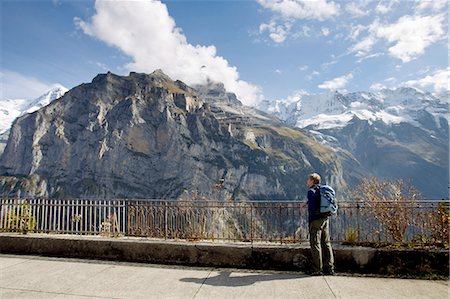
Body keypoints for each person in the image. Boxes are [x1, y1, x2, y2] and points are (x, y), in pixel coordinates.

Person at [306, 173, 334, 276]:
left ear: (312, 181)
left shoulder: (311, 191)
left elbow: (312, 208)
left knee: (315, 243)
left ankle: (317, 269)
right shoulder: (321, 190)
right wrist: (308, 202)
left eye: (308, 180)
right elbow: (317, 201)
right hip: (325, 219)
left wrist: (311, 220)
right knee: (326, 243)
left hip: (316, 220)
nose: (307, 182)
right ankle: (329, 268)